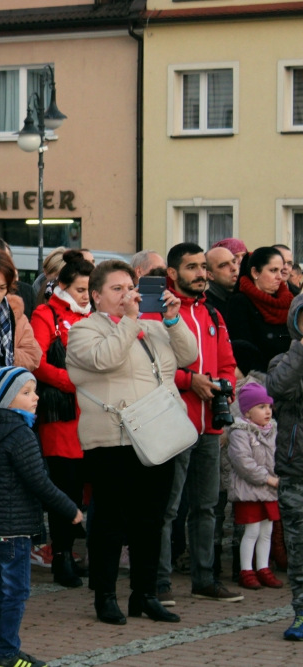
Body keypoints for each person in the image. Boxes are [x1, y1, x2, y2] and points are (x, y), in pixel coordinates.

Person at [66, 260, 196, 625]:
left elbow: (187, 356)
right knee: (110, 520)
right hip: (112, 438)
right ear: (96, 295)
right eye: (117, 289)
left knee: (151, 520)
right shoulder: (84, 330)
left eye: (130, 287)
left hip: (158, 434)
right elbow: (105, 359)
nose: (127, 295)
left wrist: (172, 319)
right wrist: (129, 321)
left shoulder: (149, 328)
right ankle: (105, 596)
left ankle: (145, 594)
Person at [0, 368, 81, 667]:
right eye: (26, 392)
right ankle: (7, 652)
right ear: (8, 399)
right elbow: (40, 482)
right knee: (16, 590)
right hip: (12, 526)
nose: (36, 397)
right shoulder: (19, 433)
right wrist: (70, 509)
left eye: (34, 390)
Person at [154, 243, 242, 607]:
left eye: (203, 267)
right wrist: (192, 382)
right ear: (173, 273)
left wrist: (227, 387)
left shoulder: (213, 316)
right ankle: (159, 582)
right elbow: (154, 365)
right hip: (174, 424)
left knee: (206, 507)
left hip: (209, 426)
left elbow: (227, 362)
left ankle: (204, 578)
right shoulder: (158, 312)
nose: (202, 274)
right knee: (167, 508)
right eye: (192, 267)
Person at [28, 250, 93, 589]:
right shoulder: (46, 313)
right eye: (82, 289)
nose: (86, 296)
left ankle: (80, 552)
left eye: (89, 290)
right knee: (64, 488)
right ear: (64, 286)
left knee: (86, 488)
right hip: (62, 415)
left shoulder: (94, 315)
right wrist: (72, 382)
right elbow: (37, 360)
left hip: (93, 414)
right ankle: (62, 556)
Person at [264, 291, 303, 640]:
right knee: (299, 547)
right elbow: (277, 387)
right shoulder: (284, 360)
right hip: (296, 471)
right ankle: (302, 613)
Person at [227, 384, 283, 590]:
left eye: (269, 406)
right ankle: (246, 570)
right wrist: (269, 479)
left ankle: (263, 568)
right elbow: (244, 463)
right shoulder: (240, 432)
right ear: (248, 411)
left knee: (267, 531)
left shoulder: (274, 431)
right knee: (251, 532)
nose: (267, 411)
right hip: (249, 491)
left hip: (270, 491)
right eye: (261, 406)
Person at [227, 247, 293, 375]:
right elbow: (243, 350)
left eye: (281, 270)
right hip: (261, 381)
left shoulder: (290, 301)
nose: (279, 277)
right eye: (273, 270)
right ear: (255, 273)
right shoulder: (240, 302)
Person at [205, 245, 239, 323]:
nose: (234, 268)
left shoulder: (246, 298)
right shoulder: (206, 306)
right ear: (210, 275)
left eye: (234, 261)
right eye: (224, 265)